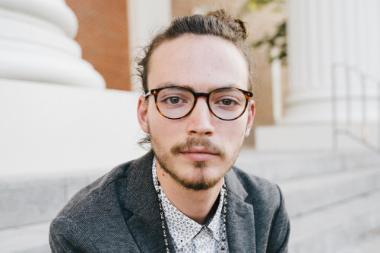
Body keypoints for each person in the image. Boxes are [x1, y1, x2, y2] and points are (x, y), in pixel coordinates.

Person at [49, 10, 290, 253]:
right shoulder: (81, 230)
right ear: (144, 114)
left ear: (249, 117)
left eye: (226, 101)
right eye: (175, 99)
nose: (201, 125)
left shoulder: (267, 207)